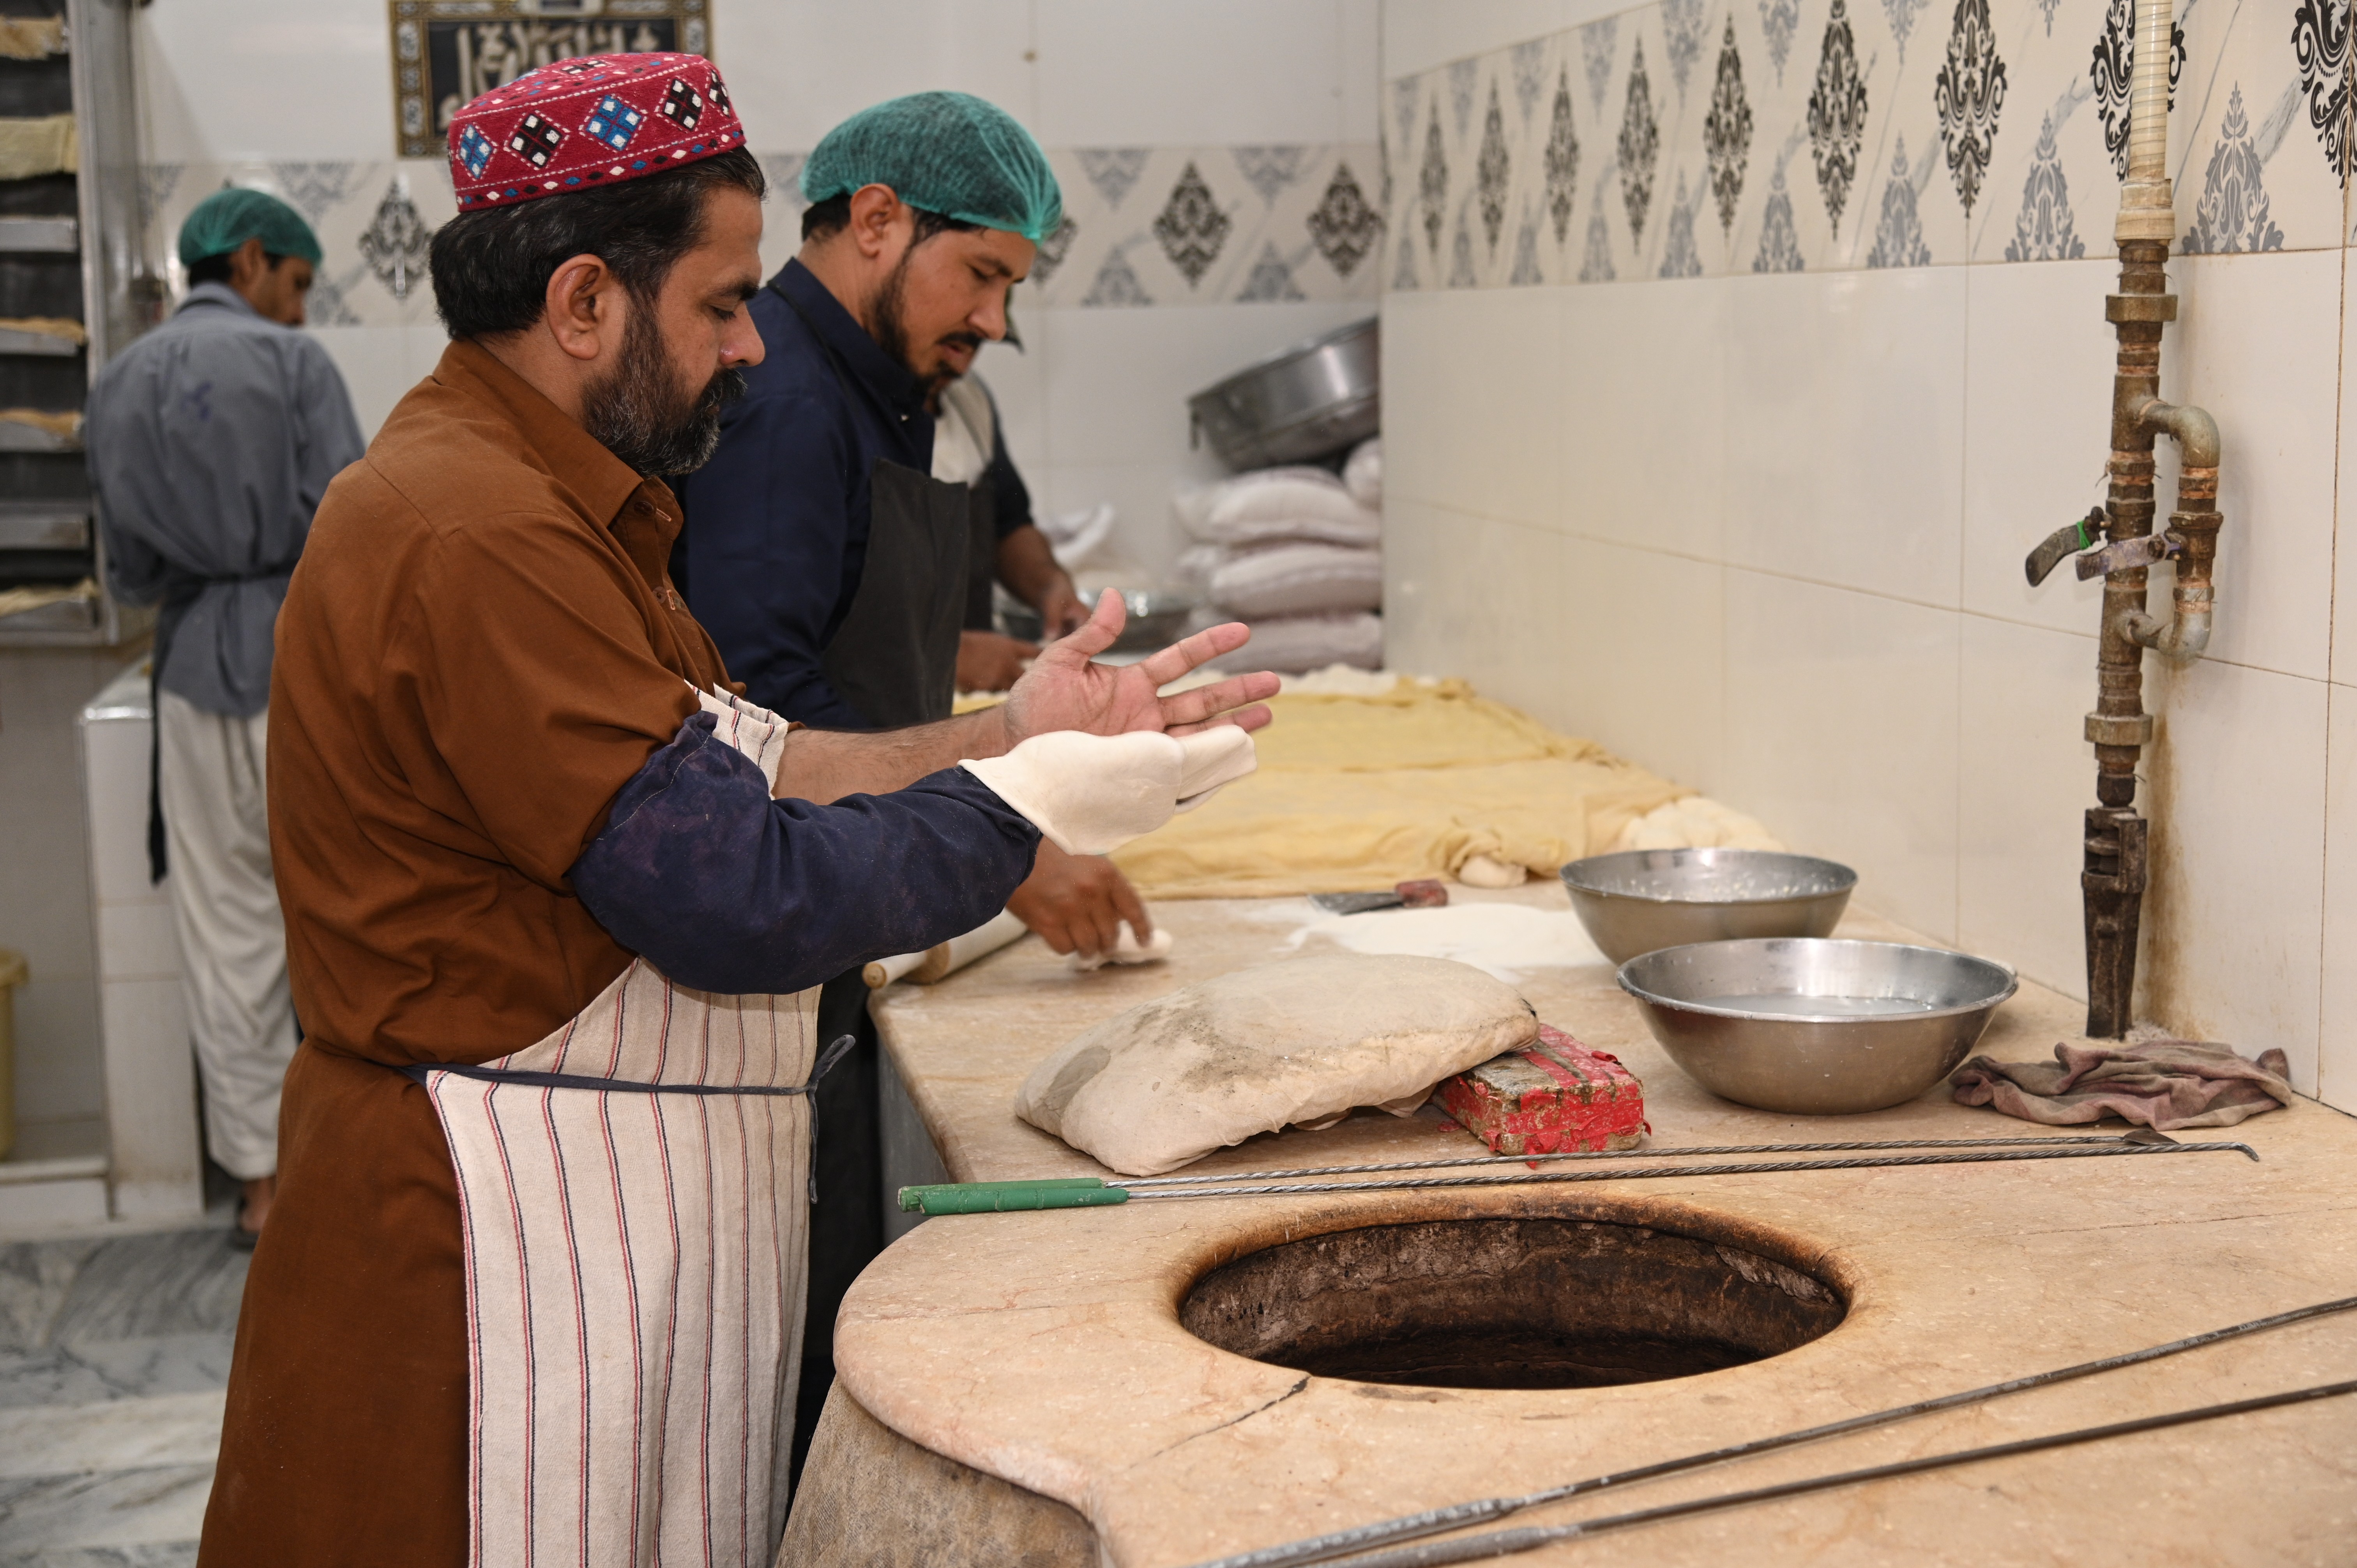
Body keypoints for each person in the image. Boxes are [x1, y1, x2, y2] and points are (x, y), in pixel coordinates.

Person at [197, 54, 1271, 1568]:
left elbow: (748, 761)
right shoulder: (473, 530)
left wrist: (1018, 726)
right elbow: (732, 888)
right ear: (583, 305)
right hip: (484, 1255)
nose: (756, 345)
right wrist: (1021, 808)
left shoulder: (567, 501)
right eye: (718, 305)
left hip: (583, 1226)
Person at [671, 92, 1163, 1469]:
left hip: (852, 890)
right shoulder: (782, 405)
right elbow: (764, 710)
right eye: (986, 275)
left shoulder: (875, 392)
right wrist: (1007, 843)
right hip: (781, 918)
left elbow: (863, 637)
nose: (997, 320)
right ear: (879, 222)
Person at [85, 187, 365, 1246]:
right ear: (251, 262)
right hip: (307, 667)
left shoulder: (118, 381)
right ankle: (362, 1164)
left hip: (195, 670)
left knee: (227, 934)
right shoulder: (295, 367)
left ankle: (262, 1187)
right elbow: (353, 525)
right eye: (295, 285)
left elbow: (130, 571)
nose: (298, 310)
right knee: (345, 918)